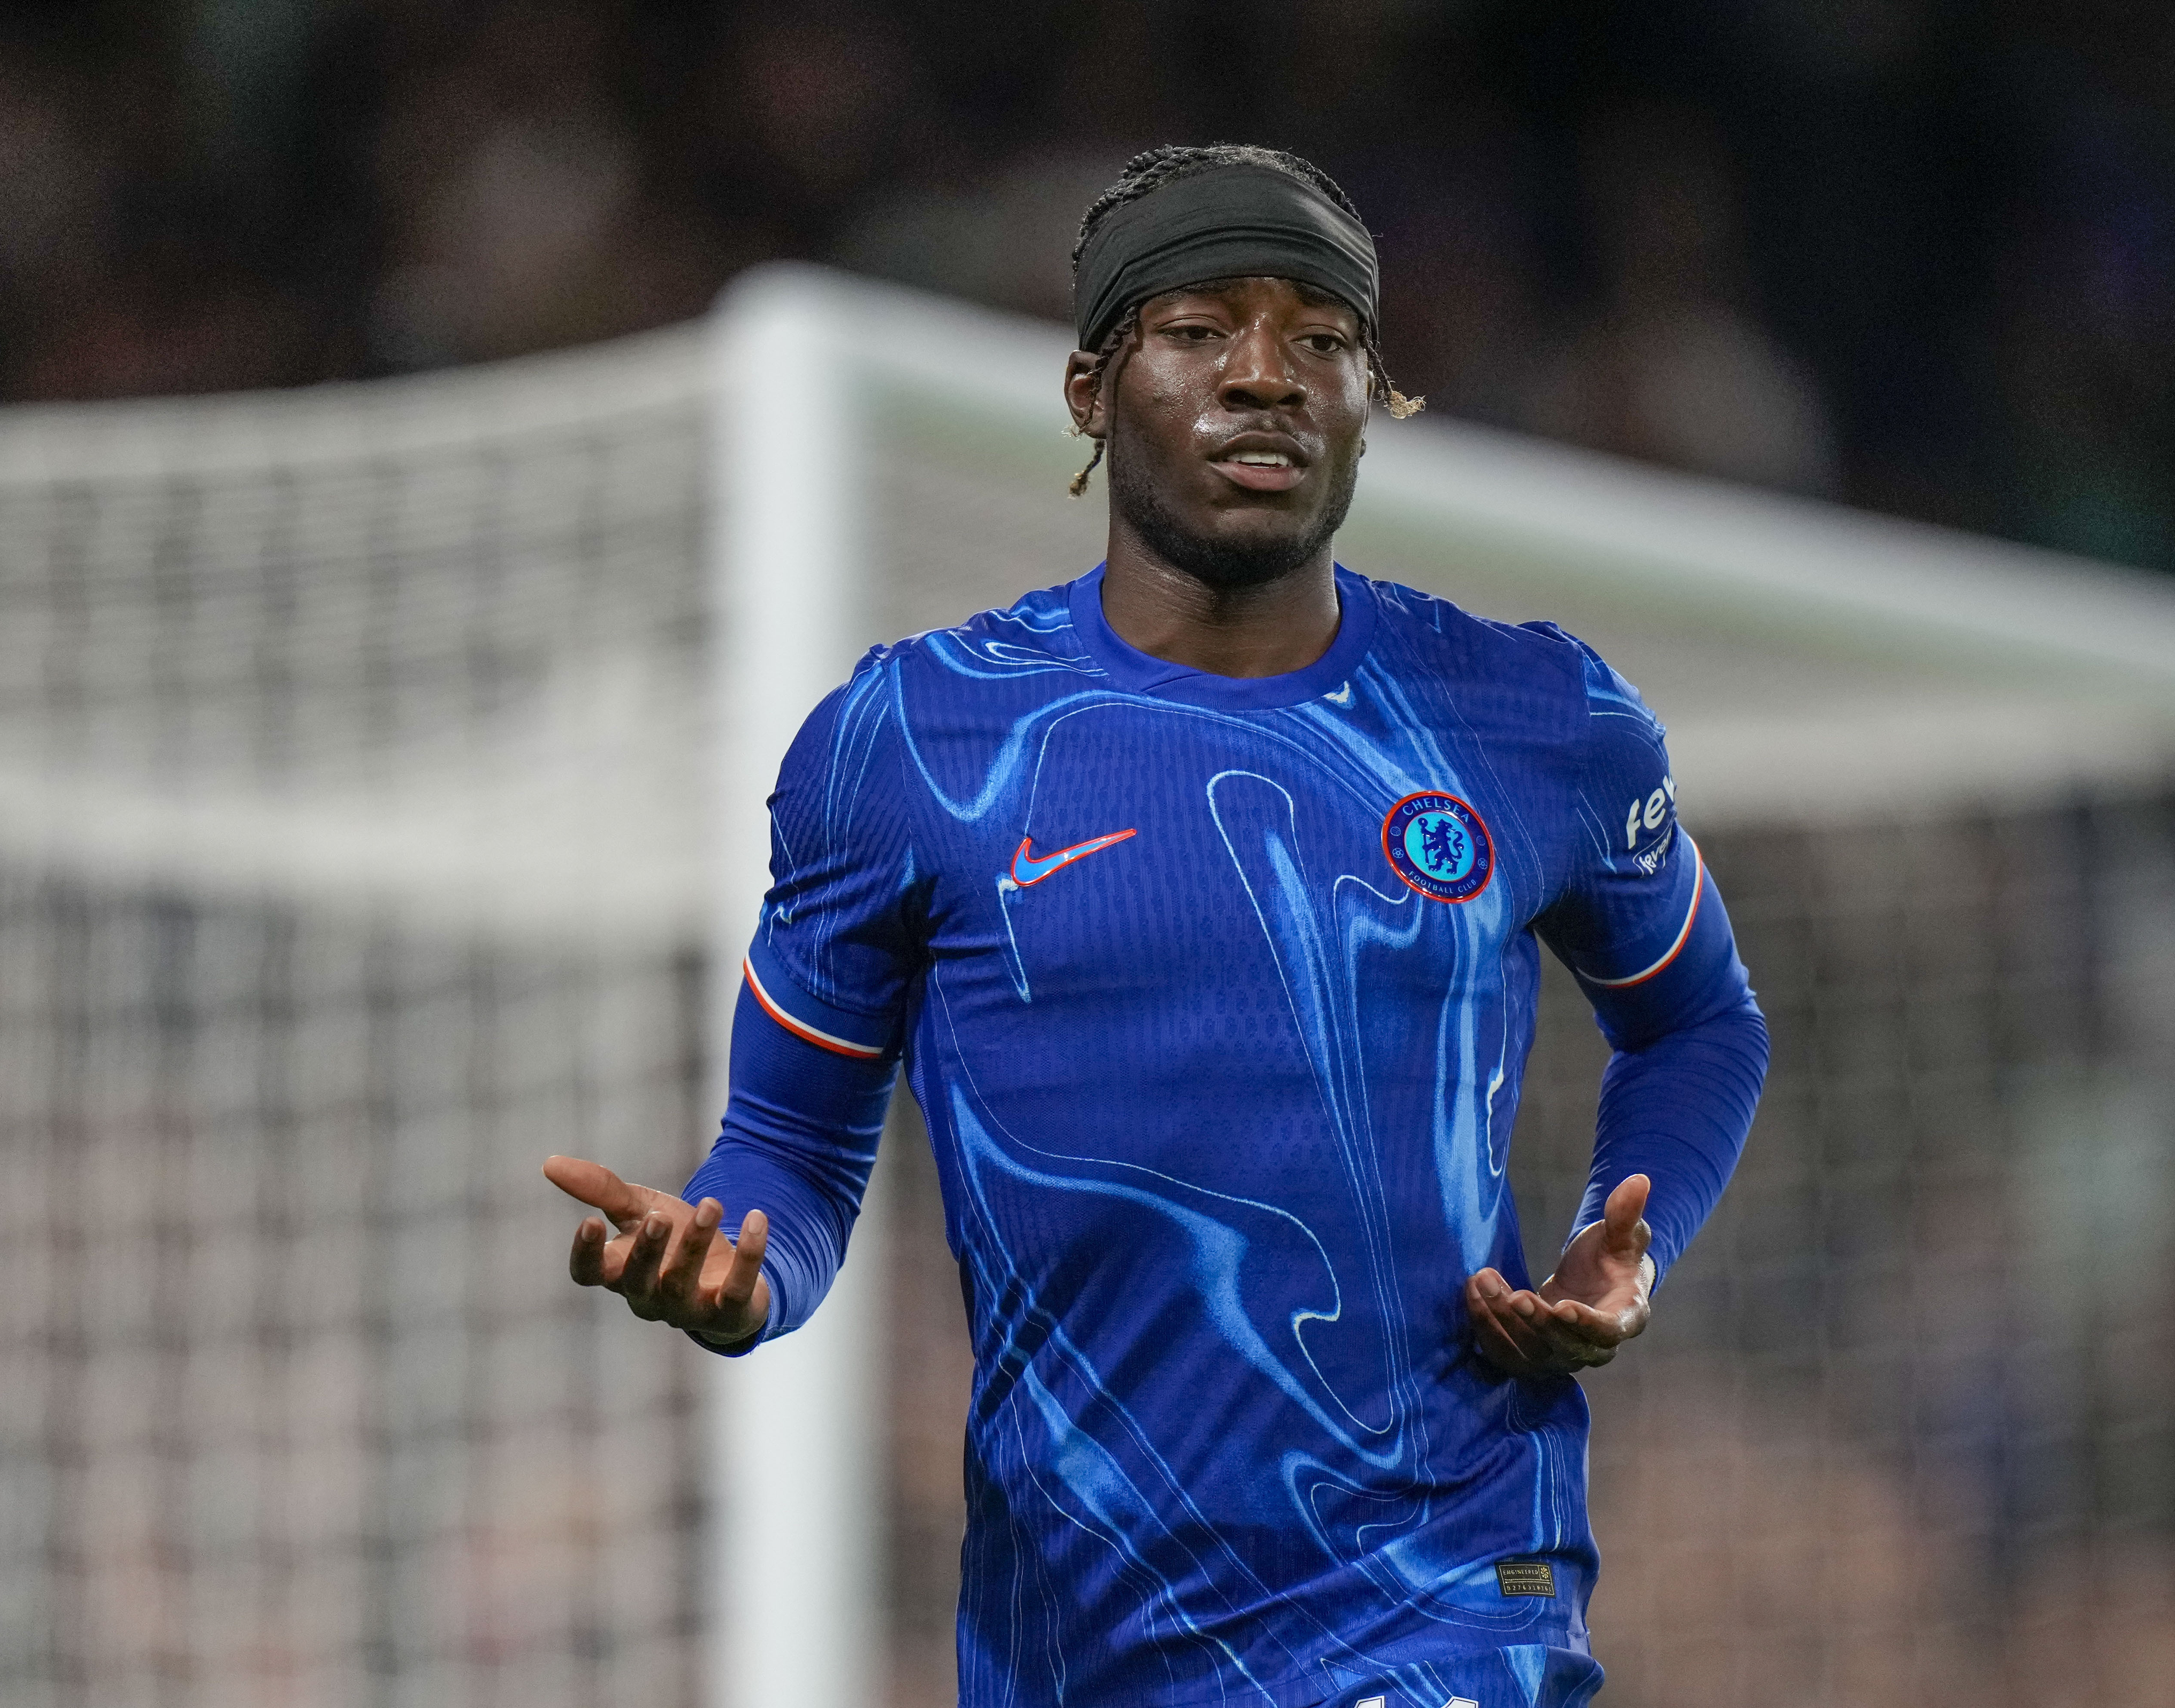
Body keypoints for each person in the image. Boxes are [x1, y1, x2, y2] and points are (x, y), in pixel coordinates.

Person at [545, 143, 1768, 1708]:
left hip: (1455, 1579)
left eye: (1320, 339)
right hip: (1083, 1617)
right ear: (1089, 387)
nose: (1266, 376)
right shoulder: (910, 742)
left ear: (1369, 399)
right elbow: (788, 1153)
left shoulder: (1538, 719)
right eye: (1200, 329)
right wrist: (736, 1274)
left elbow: (1699, 1020)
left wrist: (1635, 1233)